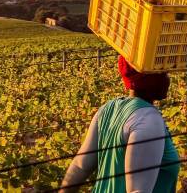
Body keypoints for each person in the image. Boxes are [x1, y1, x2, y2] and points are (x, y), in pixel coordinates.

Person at [59, 55, 180, 193]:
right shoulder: (148, 119)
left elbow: (80, 167)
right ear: (150, 77)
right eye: (163, 73)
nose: (168, 79)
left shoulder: (107, 109)